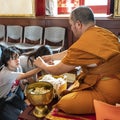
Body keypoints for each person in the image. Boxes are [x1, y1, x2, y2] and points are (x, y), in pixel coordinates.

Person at [33, 6, 120, 115]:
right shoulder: (104, 33)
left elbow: (57, 70)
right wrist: (51, 57)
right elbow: (72, 52)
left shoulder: (85, 43)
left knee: (65, 102)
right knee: (76, 85)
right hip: (115, 82)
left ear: (78, 24)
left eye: (71, 25)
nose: (71, 28)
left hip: (109, 92)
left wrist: (42, 65)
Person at [0, 47, 41, 120]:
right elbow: (25, 75)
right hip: (2, 101)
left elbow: (21, 85)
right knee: (17, 117)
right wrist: (42, 66)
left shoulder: (18, 67)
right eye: (14, 58)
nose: (17, 60)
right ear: (7, 61)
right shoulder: (4, 73)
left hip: (12, 96)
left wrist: (25, 82)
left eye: (18, 57)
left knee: (28, 110)